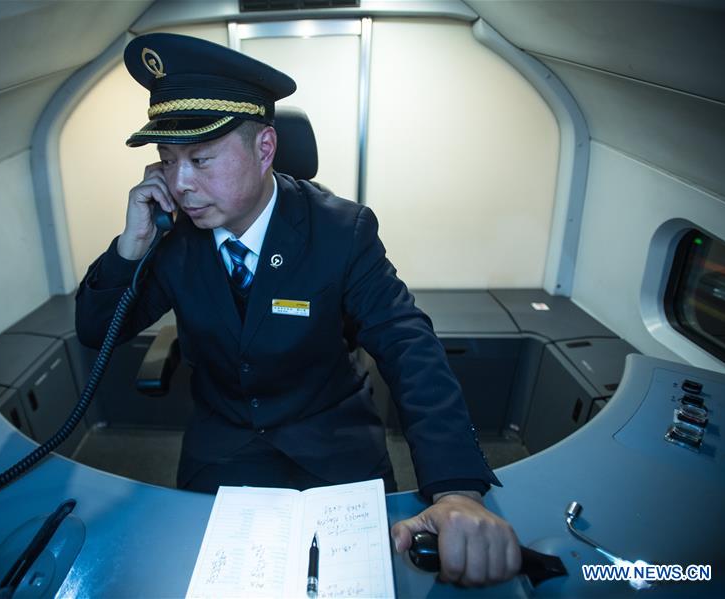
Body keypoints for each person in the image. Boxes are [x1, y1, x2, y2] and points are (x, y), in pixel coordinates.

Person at [76, 33, 521, 586]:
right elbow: (96, 331)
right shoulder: (172, 239)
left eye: (200, 159)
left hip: (331, 437)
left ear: (264, 148)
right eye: (167, 161)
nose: (181, 184)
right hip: (226, 442)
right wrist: (131, 246)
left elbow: (409, 346)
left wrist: (456, 489)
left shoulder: (341, 230)